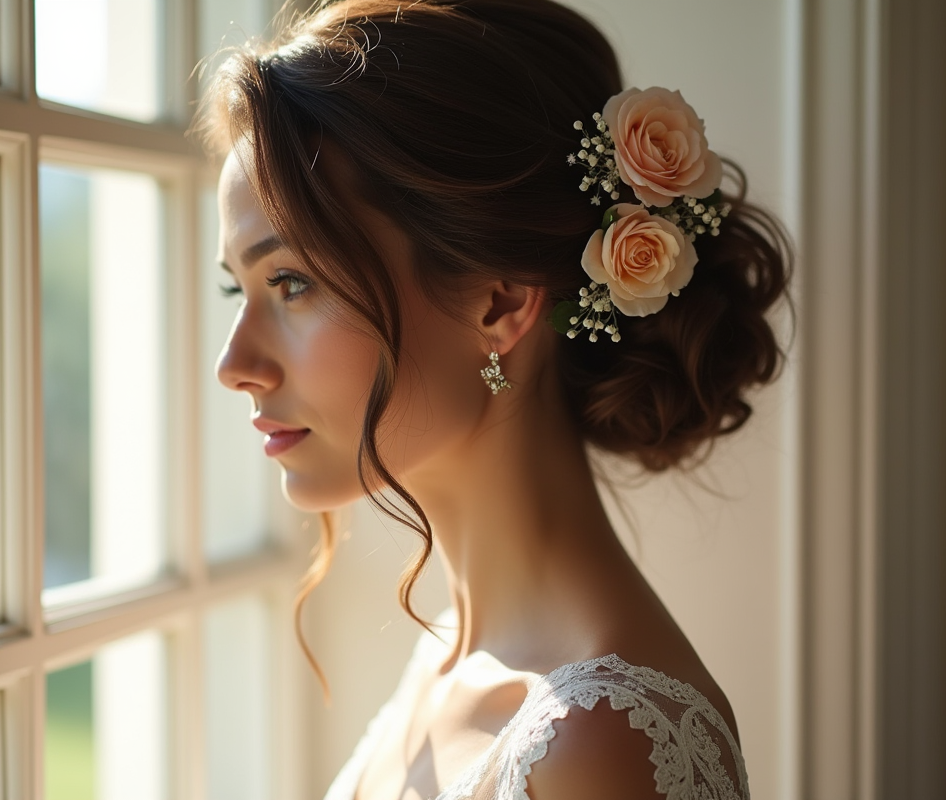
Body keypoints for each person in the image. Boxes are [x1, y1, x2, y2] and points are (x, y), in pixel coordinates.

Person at [198, 0, 790, 797]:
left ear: (501, 303)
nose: (233, 364)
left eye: (292, 283)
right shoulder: (452, 650)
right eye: (240, 287)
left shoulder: (605, 743)